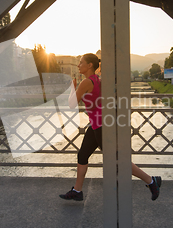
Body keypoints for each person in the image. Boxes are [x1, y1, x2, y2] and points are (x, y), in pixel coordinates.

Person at [59, 53, 161, 201]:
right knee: (82, 155)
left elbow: (72, 104)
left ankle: (151, 181)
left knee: (117, 160)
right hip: (98, 124)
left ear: (90, 65)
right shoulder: (97, 80)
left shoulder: (86, 82)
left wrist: (72, 89)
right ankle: (77, 190)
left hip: (101, 126)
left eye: (81, 62)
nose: (78, 65)